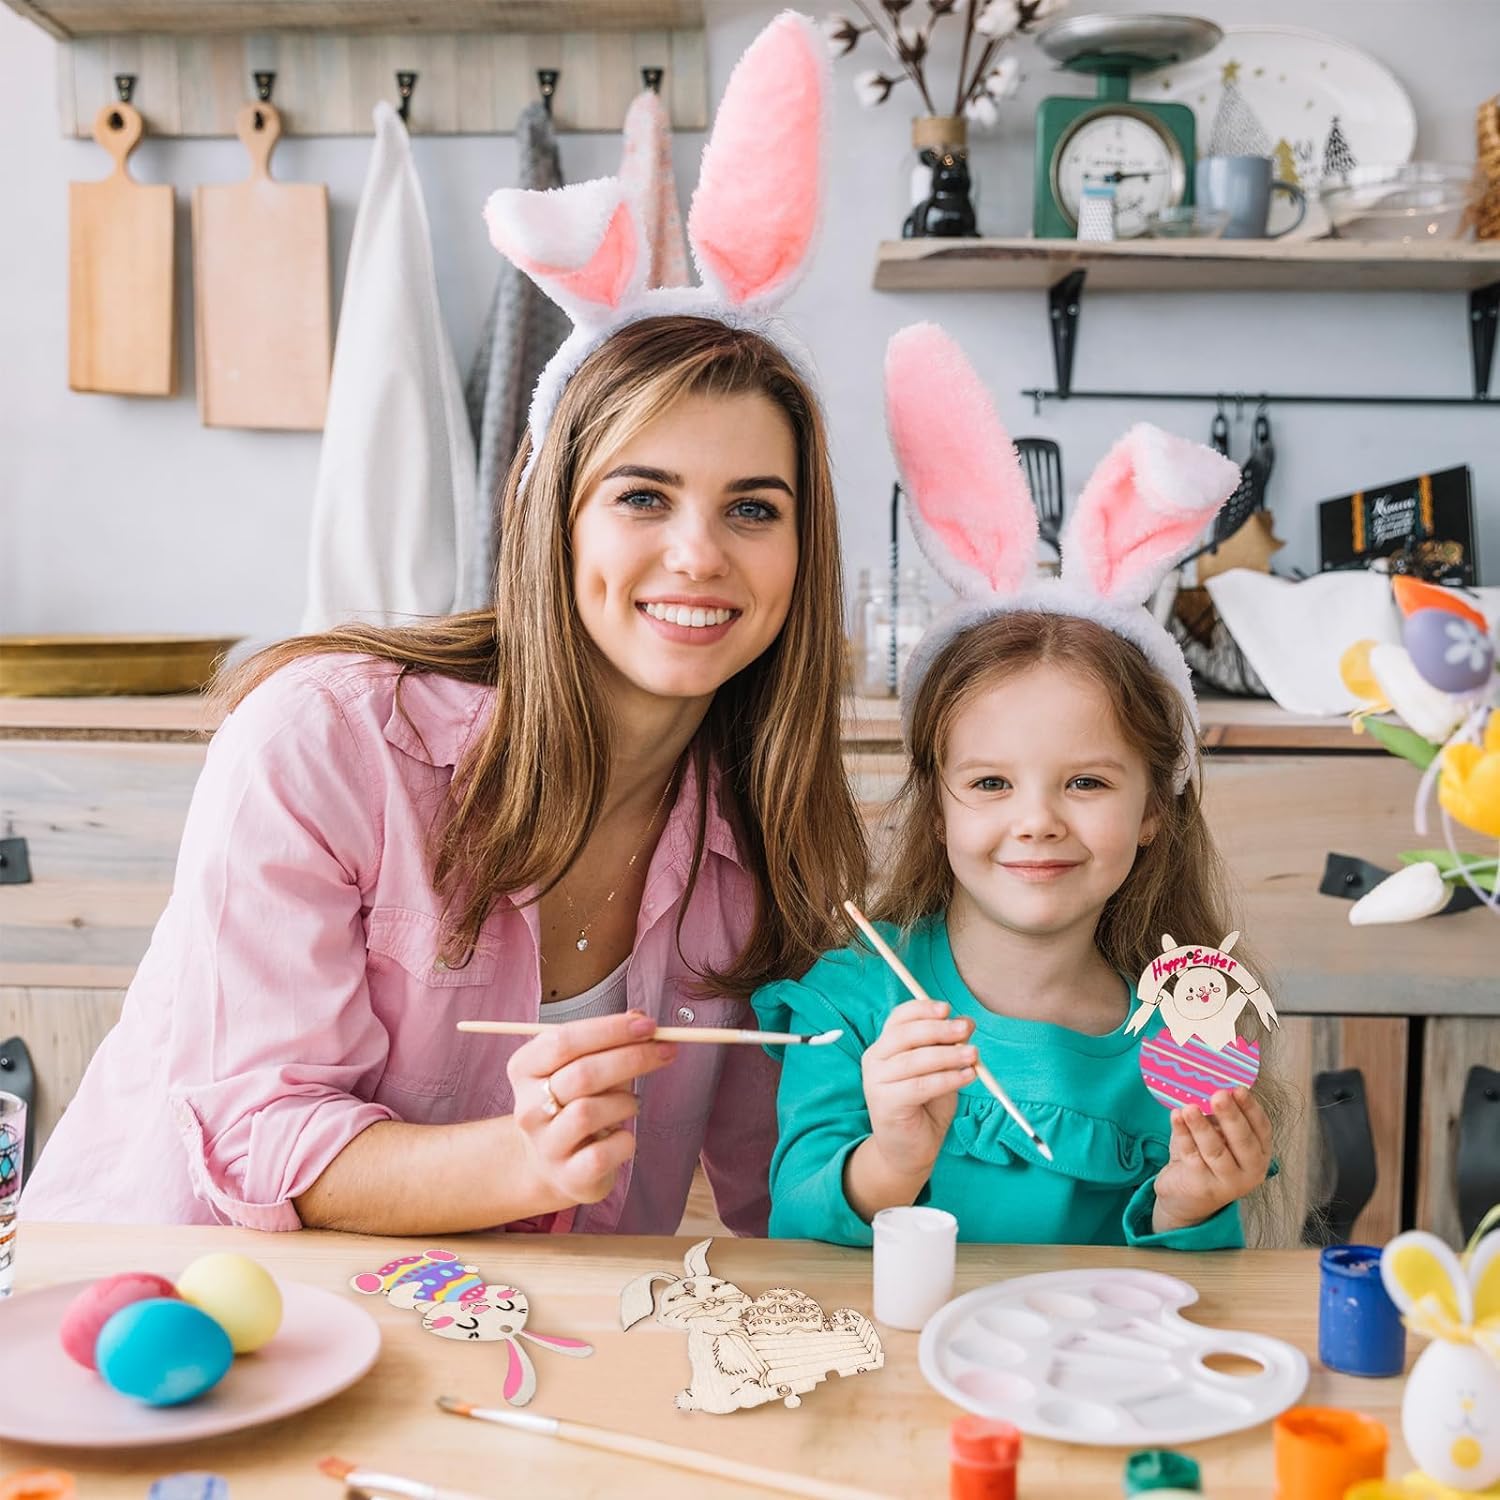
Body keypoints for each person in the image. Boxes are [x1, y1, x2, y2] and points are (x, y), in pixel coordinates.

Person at [24, 13, 864, 1236]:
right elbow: (259, 1137)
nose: (701, 555)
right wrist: (522, 1164)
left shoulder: (761, 824)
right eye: (642, 495)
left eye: (753, 507)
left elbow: (776, 1188)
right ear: (547, 515)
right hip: (179, 1327)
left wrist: (907, 1134)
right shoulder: (324, 741)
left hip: (497, 1353)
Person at [755, 323, 1290, 1250]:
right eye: (991, 782)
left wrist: (1190, 1206)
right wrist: (891, 1157)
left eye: (1085, 781)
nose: (1036, 822)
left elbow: (1188, 1294)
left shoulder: (1185, 1040)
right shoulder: (854, 1000)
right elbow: (796, 1222)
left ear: (1156, 807)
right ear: (938, 800)